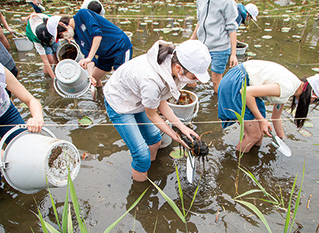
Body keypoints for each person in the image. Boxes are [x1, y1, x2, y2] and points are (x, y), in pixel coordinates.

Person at [104, 40, 211, 182]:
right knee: (141, 155)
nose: (195, 80)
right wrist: (176, 137)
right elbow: (152, 114)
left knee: (155, 140)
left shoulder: (174, 67)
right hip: (120, 103)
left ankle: (150, 170)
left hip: (140, 99)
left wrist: (182, 127)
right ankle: (141, 191)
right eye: (194, 77)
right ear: (179, 68)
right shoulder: (151, 80)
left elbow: (161, 102)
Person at [217, 60, 319, 153]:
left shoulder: (293, 88)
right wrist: (262, 120)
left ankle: (250, 160)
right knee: (254, 135)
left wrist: (282, 139)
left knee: (259, 137)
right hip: (236, 83)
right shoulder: (288, 87)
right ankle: (236, 167)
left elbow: (276, 117)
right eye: (314, 102)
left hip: (245, 84)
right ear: (313, 96)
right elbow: (246, 92)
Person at [46, 10, 132, 88]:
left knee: (121, 82)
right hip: (105, 54)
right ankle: (99, 99)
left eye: (61, 35)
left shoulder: (82, 15)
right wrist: (90, 75)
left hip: (120, 47)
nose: (64, 37)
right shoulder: (77, 37)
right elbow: (89, 58)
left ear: (62, 24)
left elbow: (97, 35)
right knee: (94, 80)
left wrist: (89, 57)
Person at [190, 0, 239, 93]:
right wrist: (191, 40)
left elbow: (232, 28)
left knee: (216, 81)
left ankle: (218, 103)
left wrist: (233, 54)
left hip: (220, 48)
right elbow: (200, 22)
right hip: (202, 45)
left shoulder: (228, 2)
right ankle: (194, 99)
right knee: (191, 76)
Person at [0, 63, 44, 145]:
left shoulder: (1, 72)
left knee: (29, 145)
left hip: (6, 114)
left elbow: (31, 100)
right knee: (8, 157)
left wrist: (37, 119)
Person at [23, 13, 59, 79]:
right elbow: (45, 61)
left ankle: (58, 70)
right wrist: (54, 78)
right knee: (49, 60)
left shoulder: (50, 22)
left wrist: (67, 37)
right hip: (42, 39)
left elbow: (61, 25)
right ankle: (47, 78)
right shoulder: (36, 40)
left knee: (57, 54)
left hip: (49, 33)